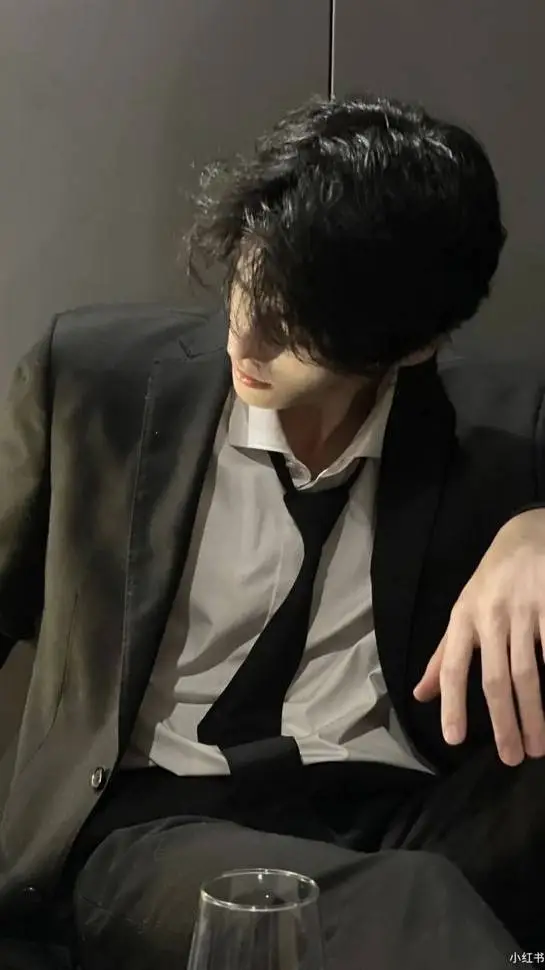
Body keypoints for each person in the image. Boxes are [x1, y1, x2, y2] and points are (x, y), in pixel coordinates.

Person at [0, 93, 544, 969]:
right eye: (250, 287)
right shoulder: (93, 385)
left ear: (412, 346)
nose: (245, 339)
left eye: (295, 329)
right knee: (407, 900)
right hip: (158, 826)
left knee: (416, 886)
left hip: (404, 812)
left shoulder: (501, 423)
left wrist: (537, 534)